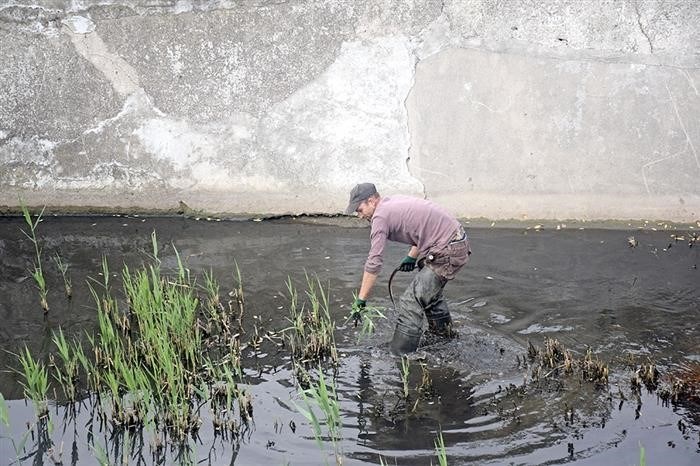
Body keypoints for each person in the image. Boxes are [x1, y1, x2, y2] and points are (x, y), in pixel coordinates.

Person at [346, 182, 471, 355]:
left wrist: (361, 300)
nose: (359, 216)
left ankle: (401, 354)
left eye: (359, 210)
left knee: (410, 301)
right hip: (455, 241)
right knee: (428, 295)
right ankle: (445, 337)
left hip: (448, 248)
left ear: (372, 200)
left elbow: (374, 263)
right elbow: (423, 228)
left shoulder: (380, 217)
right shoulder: (392, 202)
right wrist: (412, 256)